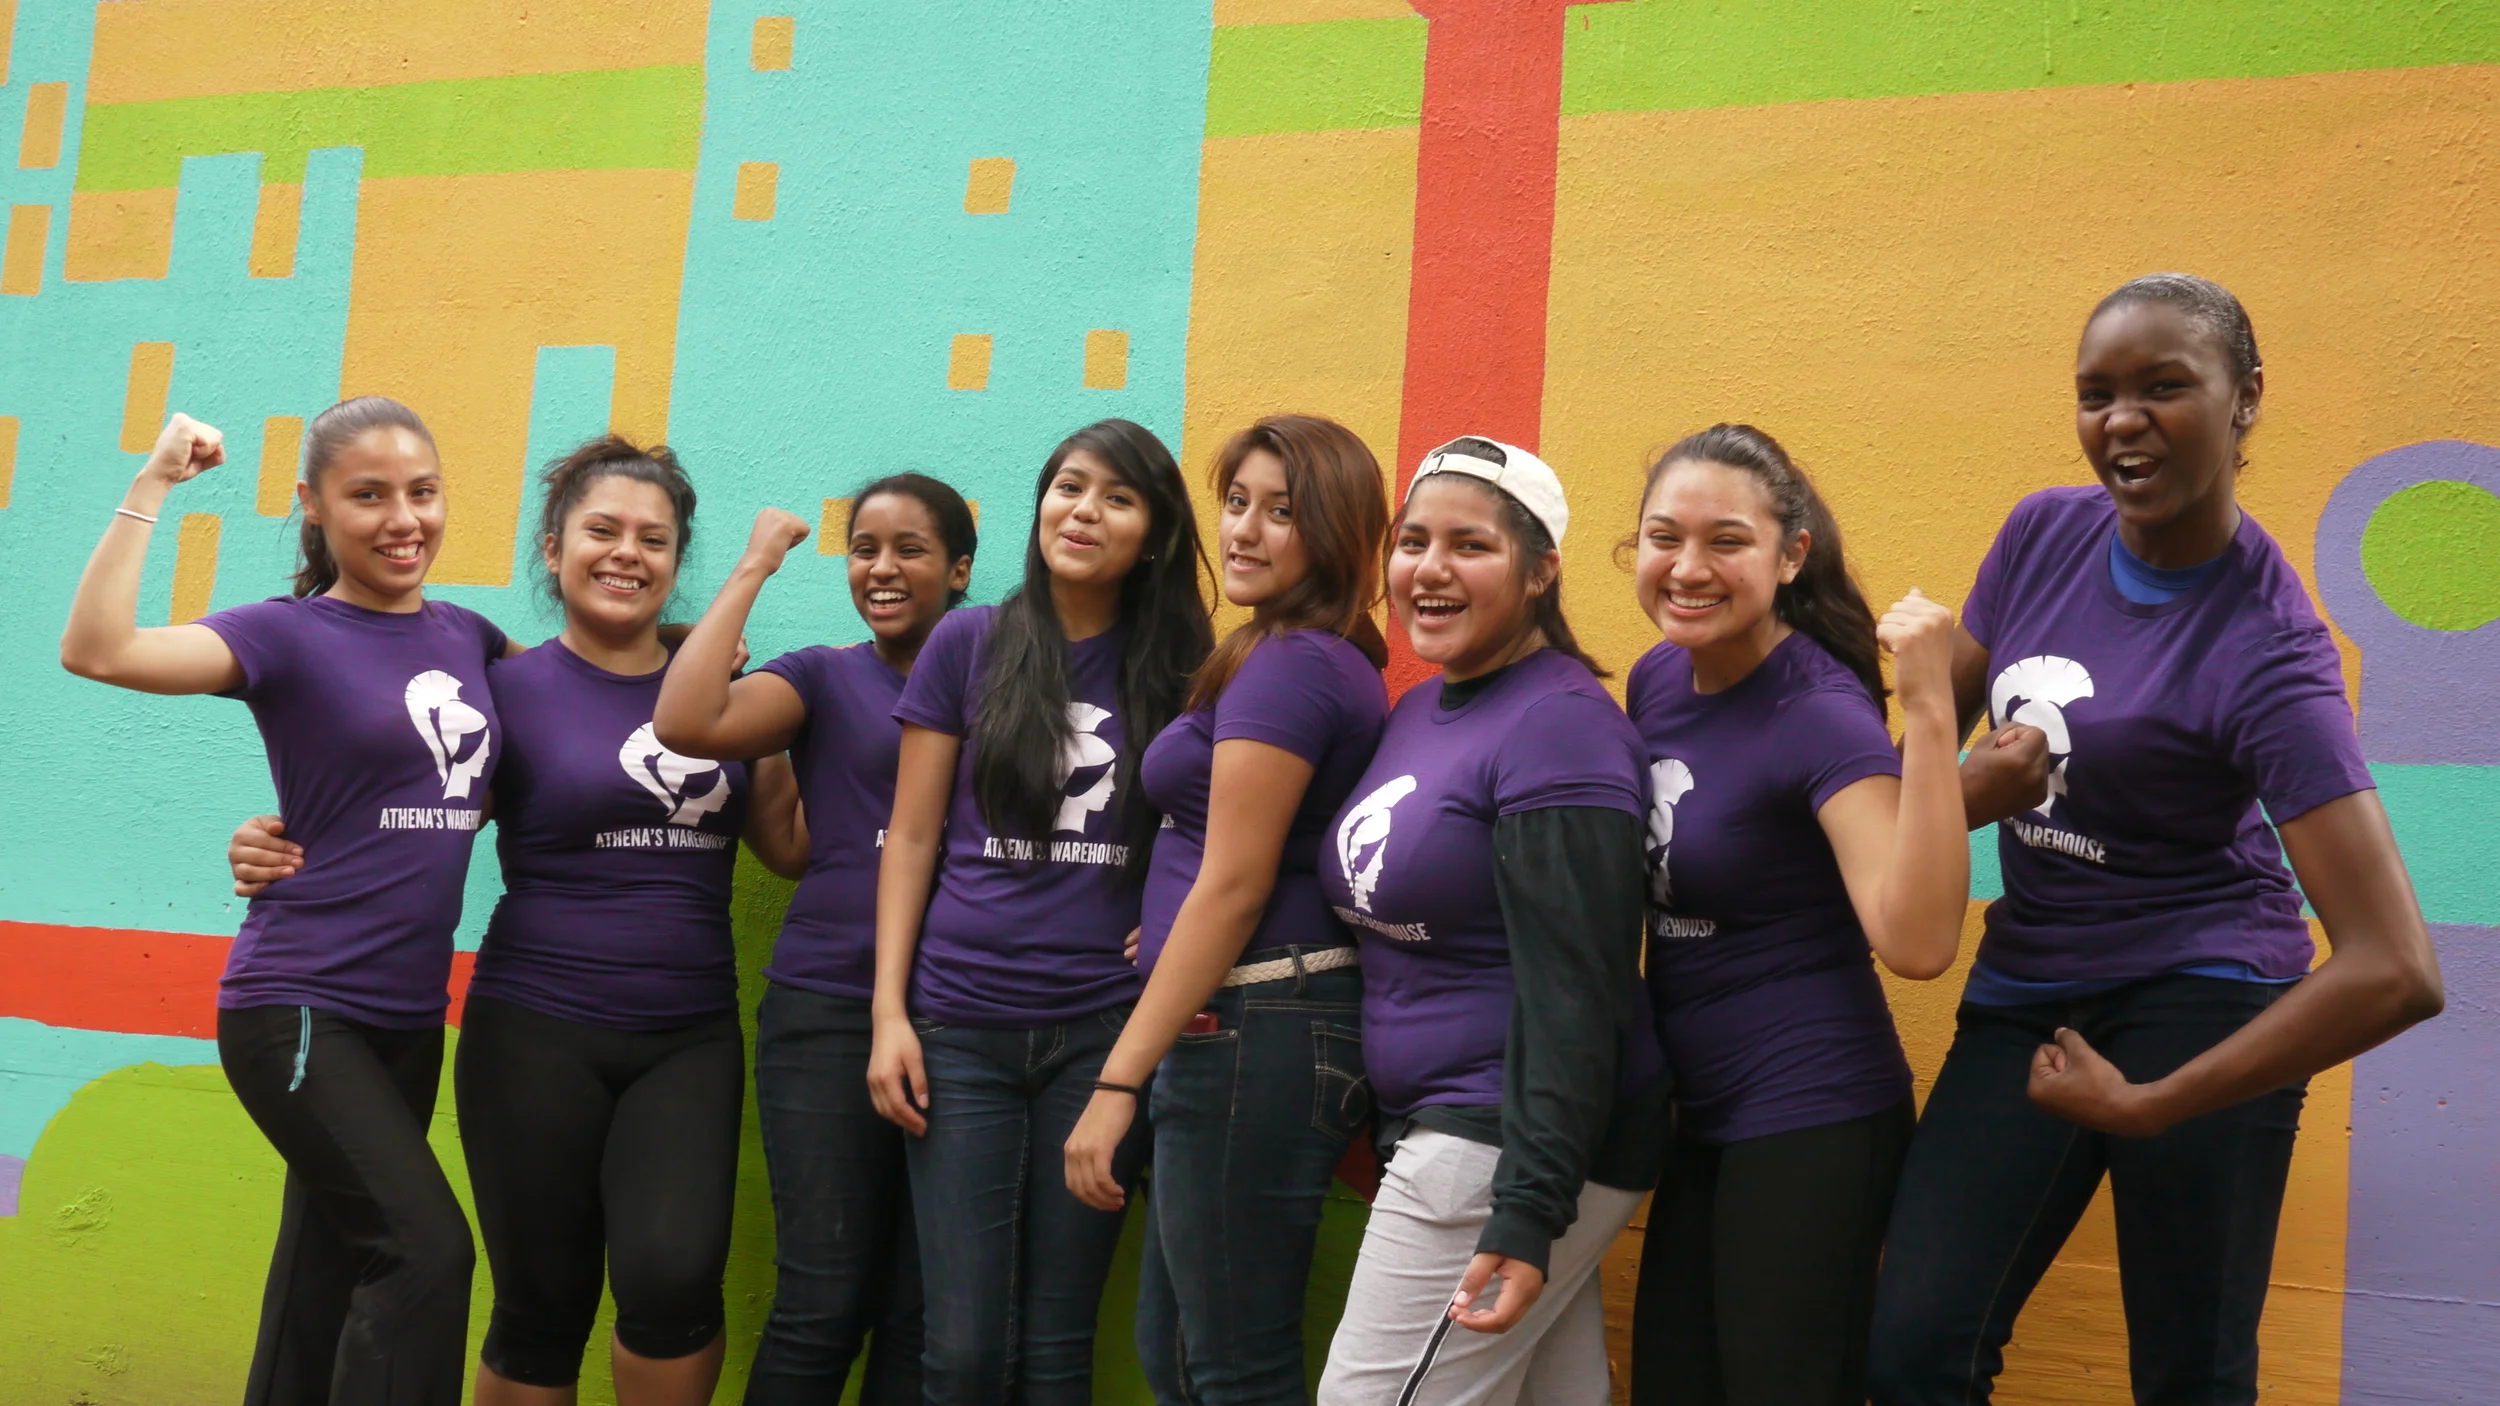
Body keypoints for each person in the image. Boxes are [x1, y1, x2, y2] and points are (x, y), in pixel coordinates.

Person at [1866, 274, 2445, 1404]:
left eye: (2162, 386)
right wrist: (1963, 771)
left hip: (2200, 991)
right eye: (2096, 393)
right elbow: (1930, 788)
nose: (2120, 419)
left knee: (2188, 1375)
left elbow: (2397, 968)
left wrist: (2151, 1101)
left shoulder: (2269, 652)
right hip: (2028, 981)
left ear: (2244, 399)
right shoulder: (2042, 532)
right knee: (1914, 1349)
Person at [226, 436, 812, 1406]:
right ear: (554, 547)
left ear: (676, 561)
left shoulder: (729, 693)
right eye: (602, 530)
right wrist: (271, 839)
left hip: (687, 1036)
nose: (627, 552)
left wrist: (766, 725)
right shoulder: (505, 691)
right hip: (533, 1033)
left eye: (653, 539)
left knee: (672, 1282)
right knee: (540, 1302)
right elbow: (407, 809)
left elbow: (789, 847)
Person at [61, 398, 507, 1405]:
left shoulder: (471, 637)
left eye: (423, 492)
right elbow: (99, 648)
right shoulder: (288, 634)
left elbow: (534, 753)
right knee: (427, 1249)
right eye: (369, 495)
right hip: (301, 1005)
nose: (404, 518)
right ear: (313, 505)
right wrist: (154, 482)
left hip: (405, 1016)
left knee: (328, 1276)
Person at [1619, 424, 1970, 1406]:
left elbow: (1916, 940)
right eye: (1663, 536)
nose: (1688, 568)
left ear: (1790, 553)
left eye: (1726, 540)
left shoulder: (1814, 710)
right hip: (1698, 1110)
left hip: (1808, 1110)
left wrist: (1931, 708)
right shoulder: (1657, 678)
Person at [1312, 437, 1667, 1406]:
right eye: (1412, 540)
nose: (1428, 569)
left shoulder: (1560, 727)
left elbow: (1579, 990)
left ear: (1539, 568)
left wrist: (1525, 1210)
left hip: (1498, 1138)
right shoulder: (1424, 707)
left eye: (1469, 545)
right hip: (1451, 1128)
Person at [867, 419, 1212, 1405]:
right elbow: (914, 835)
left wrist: (1171, 911)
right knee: (965, 1350)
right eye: (1069, 485)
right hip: (958, 1030)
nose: (1083, 510)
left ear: (1151, 533)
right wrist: (889, 1011)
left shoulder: (1189, 664)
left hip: (1103, 1034)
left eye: (1116, 496)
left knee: (1059, 1346)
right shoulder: (968, 642)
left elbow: (1216, 834)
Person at [1061, 415, 1392, 1405]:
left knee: (1231, 1369)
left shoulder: (1293, 662)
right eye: (1237, 502)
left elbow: (1237, 880)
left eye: (1281, 512)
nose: (1244, 530)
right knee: (1181, 1358)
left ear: (1332, 534)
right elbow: (1235, 855)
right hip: (1245, 1015)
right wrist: (1163, 931)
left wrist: (1116, 1082)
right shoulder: (1277, 649)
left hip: (1256, 1024)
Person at [652, 473, 979, 1404]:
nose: (881, 567)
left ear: (959, 570)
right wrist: (757, 563)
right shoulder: (821, 675)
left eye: (910, 550)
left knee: (924, 1314)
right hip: (829, 1012)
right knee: (825, 1298)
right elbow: (685, 721)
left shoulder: (1003, 679)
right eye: (863, 547)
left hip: (964, 1016)